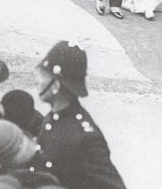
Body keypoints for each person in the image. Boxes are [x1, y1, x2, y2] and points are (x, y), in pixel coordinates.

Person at [35, 41, 125, 189]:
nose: (37, 80)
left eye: (44, 75)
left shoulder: (85, 137)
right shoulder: (54, 117)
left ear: (56, 86)